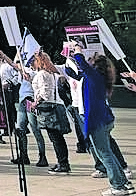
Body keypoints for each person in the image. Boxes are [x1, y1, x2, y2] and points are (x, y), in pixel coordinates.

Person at [65, 49, 132, 195]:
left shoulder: (94, 76)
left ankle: (118, 186)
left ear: (94, 66)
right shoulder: (95, 77)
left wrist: (77, 51)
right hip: (103, 120)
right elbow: (72, 73)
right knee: (108, 153)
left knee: (104, 154)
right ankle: (123, 183)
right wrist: (68, 57)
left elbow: (82, 63)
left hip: (98, 121)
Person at [31, 51, 70, 174]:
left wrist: (35, 102)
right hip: (57, 104)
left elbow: (45, 92)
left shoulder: (42, 74)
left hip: (49, 107)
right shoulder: (52, 73)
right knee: (58, 137)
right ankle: (63, 162)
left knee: (55, 138)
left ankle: (63, 163)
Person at [12, 58, 48, 167]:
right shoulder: (23, 72)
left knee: (35, 128)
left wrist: (3, 56)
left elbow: (14, 66)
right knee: (20, 129)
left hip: (30, 100)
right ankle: (23, 155)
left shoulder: (34, 72)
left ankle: (42, 156)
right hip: (22, 101)